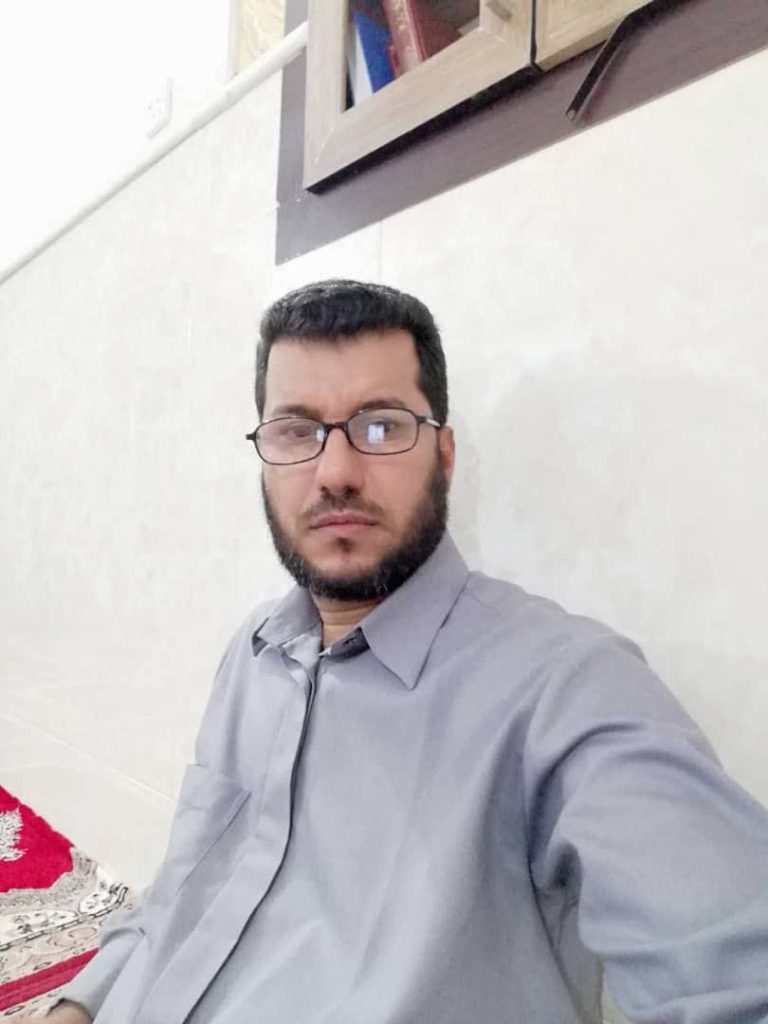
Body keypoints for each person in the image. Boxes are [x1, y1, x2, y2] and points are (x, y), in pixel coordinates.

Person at [43, 280, 768, 1024]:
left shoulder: (566, 689)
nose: (335, 472)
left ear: (444, 456)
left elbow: (735, 974)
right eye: (296, 430)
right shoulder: (254, 654)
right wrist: (78, 1006)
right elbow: (185, 889)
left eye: (382, 426)